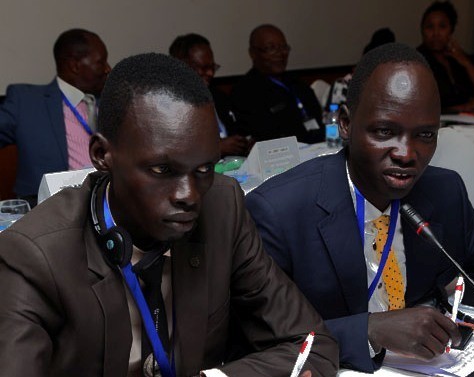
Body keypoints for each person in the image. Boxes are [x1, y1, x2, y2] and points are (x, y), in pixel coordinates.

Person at [0, 53, 338, 377]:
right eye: (163, 169)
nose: (189, 195)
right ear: (103, 155)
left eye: (205, 168)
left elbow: (312, 345)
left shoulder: (222, 206)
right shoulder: (33, 254)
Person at [245, 43, 474, 372]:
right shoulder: (279, 211)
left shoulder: (442, 190)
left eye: (424, 134)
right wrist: (370, 329)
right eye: (385, 131)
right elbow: (262, 338)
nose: (407, 154)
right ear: (346, 124)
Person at [0, 28, 111, 207]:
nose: (108, 69)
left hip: (107, 203)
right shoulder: (27, 102)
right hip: (50, 210)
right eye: (101, 62)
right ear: (74, 65)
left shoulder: (111, 101)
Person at [230, 24, 324, 144]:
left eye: (283, 47)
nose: (280, 54)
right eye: (271, 48)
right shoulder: (244, 91)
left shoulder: (297, 83)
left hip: (318, 147)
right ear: (253, 53)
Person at [169, 33, 252, 156]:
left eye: (212, 67)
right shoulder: (168, 105)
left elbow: (240, 129)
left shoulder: (218, 96)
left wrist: (246, 143)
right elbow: (172, 152)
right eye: (203, 68)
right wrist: (217, 148)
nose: (210, 73)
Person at [417, 1, 474, 112]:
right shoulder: (416, 61)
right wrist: (466, 106)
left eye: (442, 26)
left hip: (469, 123)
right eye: (429, 27)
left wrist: (466, 64)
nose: (436, 33)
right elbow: (419, 109)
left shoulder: (456, 59)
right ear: (422, 31)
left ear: (451, 30)